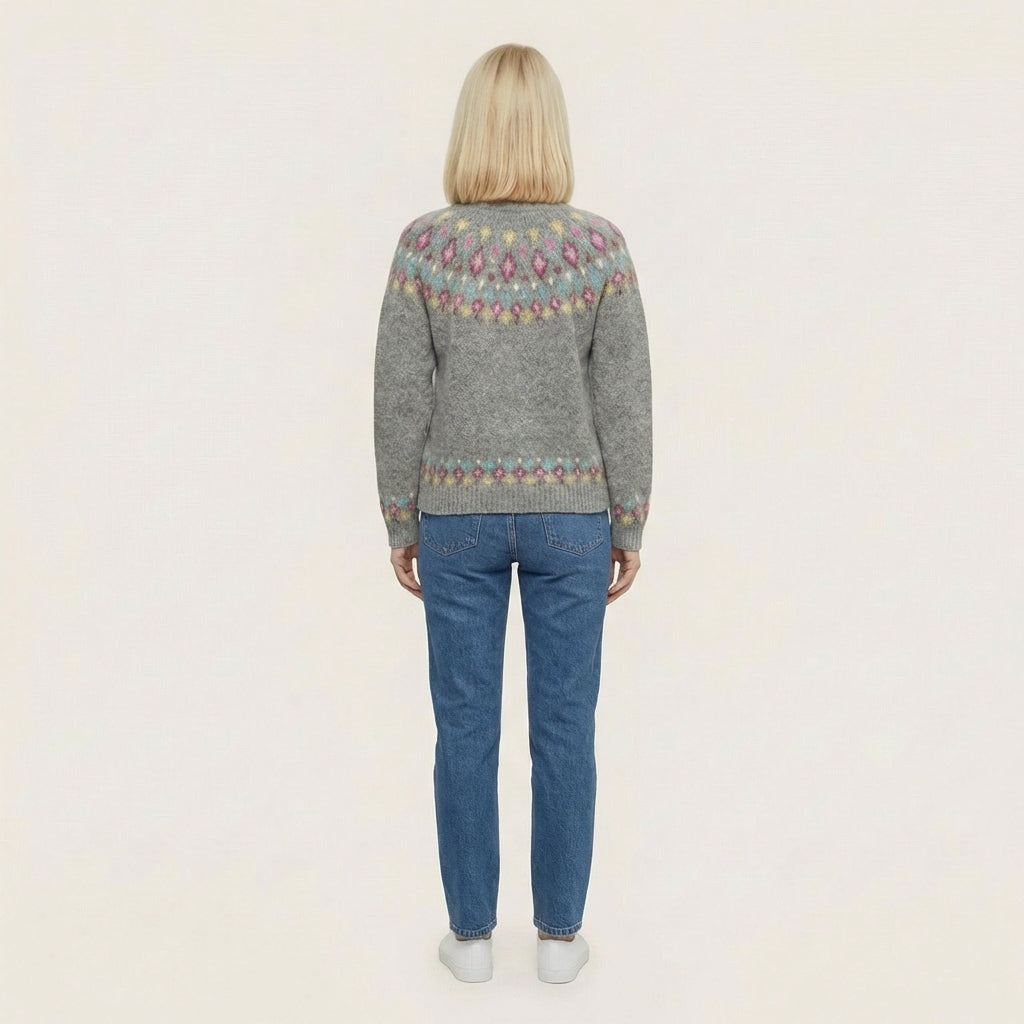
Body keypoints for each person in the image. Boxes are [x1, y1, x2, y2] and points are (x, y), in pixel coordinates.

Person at [373, 43, 653, 985]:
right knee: (565, 730)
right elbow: (624, 398)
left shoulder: (426, 248)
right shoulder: (598, 249)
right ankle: (561, 940)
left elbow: (398, 396)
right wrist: (629, 520)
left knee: (465, 730)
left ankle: (469, 939)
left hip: (454, 517)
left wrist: (400, 518)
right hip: (574, 516)